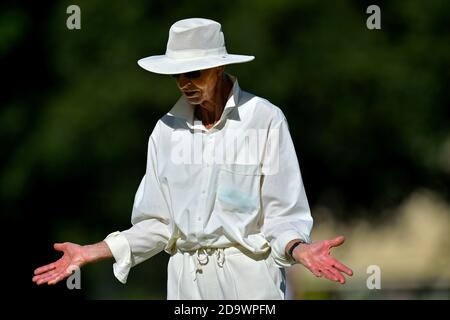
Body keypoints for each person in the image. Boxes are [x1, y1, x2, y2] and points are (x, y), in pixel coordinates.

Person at [32, 18, 353, 299]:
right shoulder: (165, 131)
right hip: (186, 281)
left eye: (194, 72)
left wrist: (300, 249)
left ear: (220, 66)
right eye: (177, 74)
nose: (185, 83)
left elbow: (283, 214)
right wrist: (93, 251)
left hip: (250, 280)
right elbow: (157, 225)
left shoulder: (265, 119)